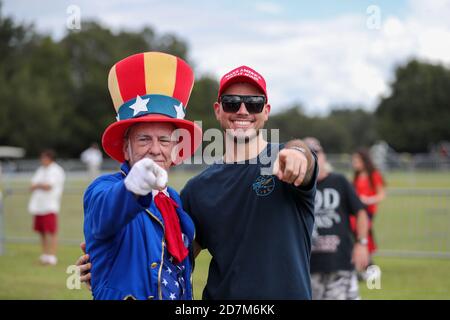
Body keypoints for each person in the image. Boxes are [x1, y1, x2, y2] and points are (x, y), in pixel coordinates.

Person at [78, 65, 318, 300]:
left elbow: (304, 159)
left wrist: (298, 152)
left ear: (266, 110)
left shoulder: (285, 162)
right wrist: (107, 263)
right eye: (232, 102)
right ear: (218, 110)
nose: (243, 110)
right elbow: (175, 256)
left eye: (254, 103)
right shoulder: (196, 189)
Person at [83, 52, 202, 300]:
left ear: (175, 148)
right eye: (144, 139)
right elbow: (107, 211)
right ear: (126, 148)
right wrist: (135, 183)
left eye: (164, 140)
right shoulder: (104, 188)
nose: (155, 149)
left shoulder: (174, 200)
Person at [304, 137, 369, 300]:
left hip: (340, 264)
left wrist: (361, 243)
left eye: (316, 153)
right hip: (307, 267)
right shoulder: (297, 188)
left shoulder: (339, 181)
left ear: (324, 155)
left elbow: (361, 212)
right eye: (307, 155)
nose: (313, 159)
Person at [28, 149, 65, 266]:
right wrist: (39, 185)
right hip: (39, 205)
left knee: (51, 231)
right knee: (41, 231)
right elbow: (32, 184)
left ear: (50, 158)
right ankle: (45, 255)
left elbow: (48, 186)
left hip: (50, 205)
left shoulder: (56, 170)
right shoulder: (41, 169)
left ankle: (52, 256)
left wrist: (38, 185)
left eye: (44, 158)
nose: (42, 160)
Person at [350, 148, 386, 259]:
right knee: (354, 231)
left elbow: (381, 195)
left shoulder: (374, 175)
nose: (354, 163)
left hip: (368, 210)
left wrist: (368, 200)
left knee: (363, 232)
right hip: (357, 209)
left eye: (356, 161)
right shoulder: (356, 176)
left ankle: (367, 257)